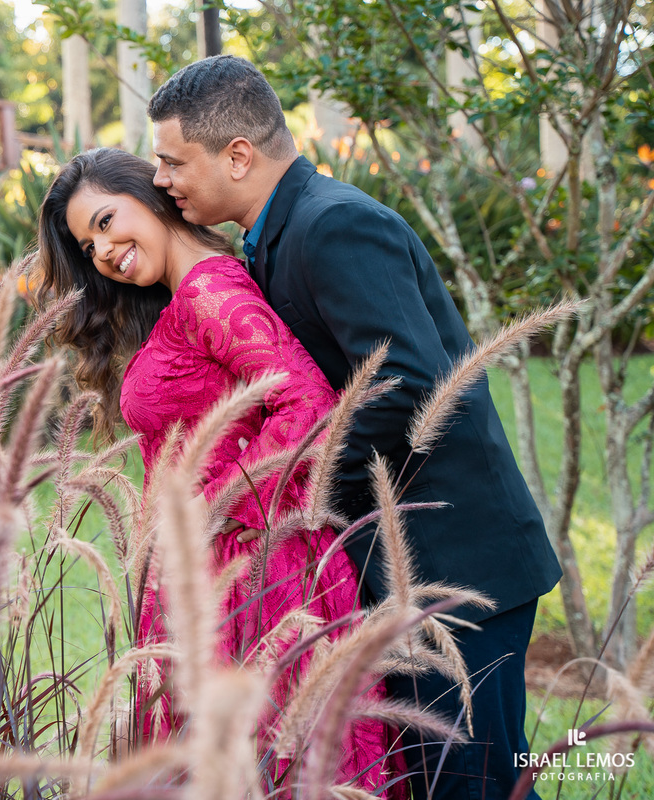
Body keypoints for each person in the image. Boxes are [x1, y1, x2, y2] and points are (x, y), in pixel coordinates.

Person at [146, 54, 562, 800]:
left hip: (456, 566)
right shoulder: (273, 235)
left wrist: (286, 495)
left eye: (173, 161)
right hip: (396, 564)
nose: (161, 181)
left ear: (237, 155)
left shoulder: (334, 224)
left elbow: (407, 385)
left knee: (475, 783)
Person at [36, 147, 403, 796]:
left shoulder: (210, 289)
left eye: (105, 220)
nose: (100, 250)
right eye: (86, 244)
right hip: (216, 572)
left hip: (254, 573)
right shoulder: (185, 299)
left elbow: (309, 403)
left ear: (150, 198)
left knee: (270, 763)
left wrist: (217, 505)